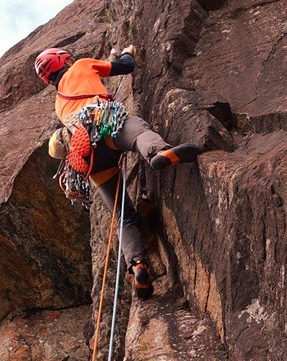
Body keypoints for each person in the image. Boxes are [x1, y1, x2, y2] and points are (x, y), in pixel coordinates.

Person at [34, 45, 202, 299]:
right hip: (104, 125)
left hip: (87, 156)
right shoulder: (81, 66)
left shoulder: (59, 103)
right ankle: (158, 153)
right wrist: (127, 51)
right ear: (65, 61)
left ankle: (138, 266)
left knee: (123, 215)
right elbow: (126, 67)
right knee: (137, 131)